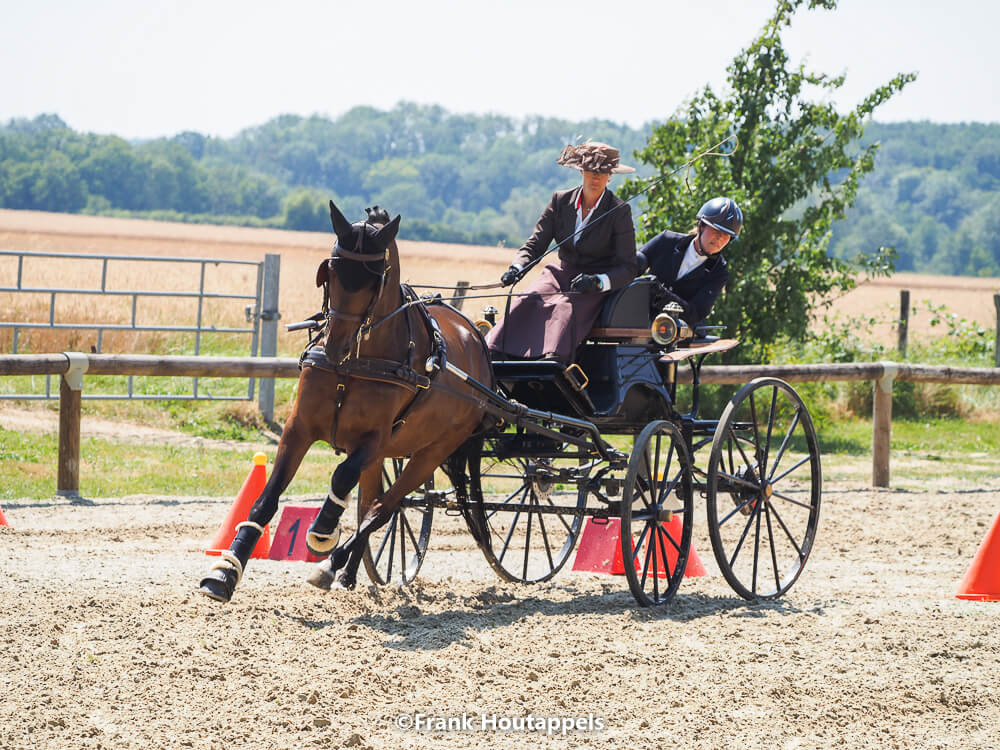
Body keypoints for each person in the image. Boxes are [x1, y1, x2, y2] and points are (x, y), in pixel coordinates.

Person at [486, 142, 637, 363]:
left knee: (563, 307)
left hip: (592, 285)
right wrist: (516, 267)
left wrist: (598, 282)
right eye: (591, 170)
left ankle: (550, 361)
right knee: (528, 298)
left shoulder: (619, 211)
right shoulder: (560, 201)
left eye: (603, 172)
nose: (596, 177)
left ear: (610, 176)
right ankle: (493, 352)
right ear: (581, 171)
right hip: (560, 273)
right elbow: (535, 243)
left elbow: (629, 267)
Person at [636, 197, 743, 326]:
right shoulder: (666, 240)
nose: (720, 239)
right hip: (639, 320)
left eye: (726, 235)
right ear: (701, 225)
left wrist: (661, 293)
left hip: (680, 334)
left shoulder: (720, 272)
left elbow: (696, 313)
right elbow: (632, 265)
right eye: (716, 230)